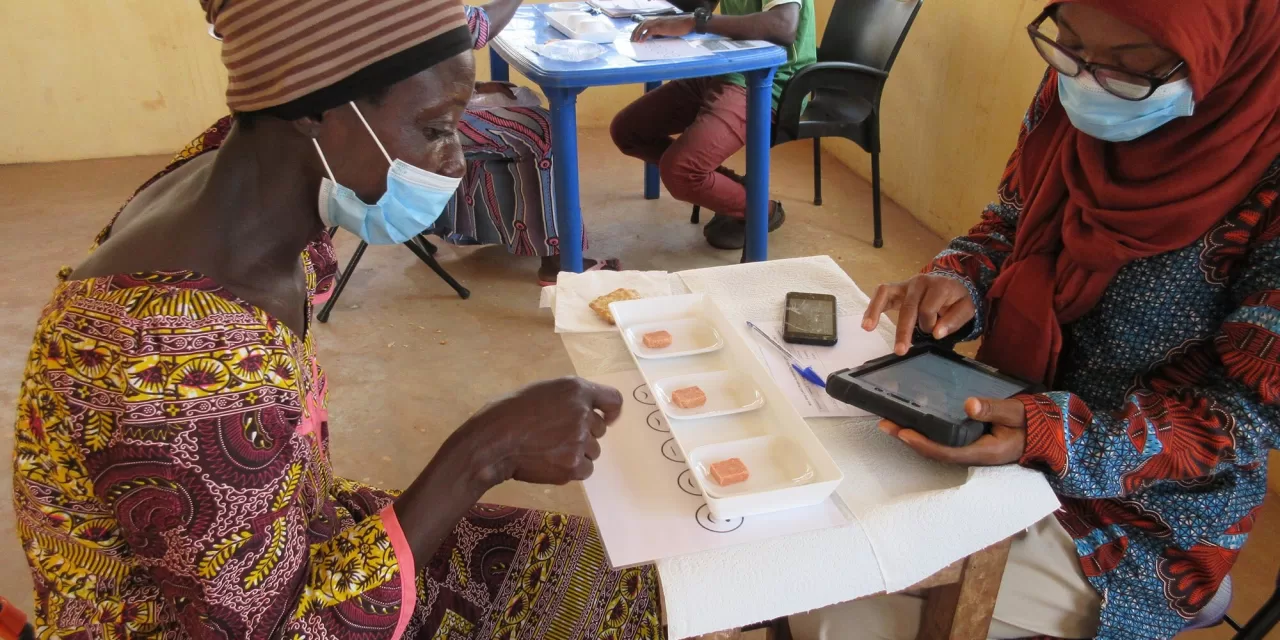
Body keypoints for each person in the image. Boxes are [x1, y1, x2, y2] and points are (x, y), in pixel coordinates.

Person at [10, 0, 661, 637]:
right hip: (233, 615)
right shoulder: (172, 366)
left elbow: (436, 37)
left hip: (283, 533)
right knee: (630, 601)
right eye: (435, 128)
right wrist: (483, 453)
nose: (456, 163)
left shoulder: (240, 172)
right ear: (317, 109)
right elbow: (286, 627)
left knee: (631, 576)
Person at [792, 1, 1280, 638]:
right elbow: (1008, 224)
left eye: (1131, 68)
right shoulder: (1072, 88)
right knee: (808, 518)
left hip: (1142, 512)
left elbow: (1254, 413)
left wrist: (1056, 436)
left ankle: (1191, 597)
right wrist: (960, 277)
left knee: (838, 616)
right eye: (1070, 46)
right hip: (1005, 412)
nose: (1087, 82)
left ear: (1224, 56)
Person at [608, 0, 816, 251]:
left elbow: (783, 25)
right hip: (725, 65)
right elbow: (696, 3)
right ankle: (736, 190)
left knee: (681, 171)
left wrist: (696, 22)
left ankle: (764, 211)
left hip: (765, 80)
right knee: (628, 130)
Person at [439, 2, 621, 284]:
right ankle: (560, 261)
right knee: (543, 130)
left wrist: (471, 89)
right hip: (408, 128)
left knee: (508, 106)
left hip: (378, 117)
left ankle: (487, 227)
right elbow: (475, 27)